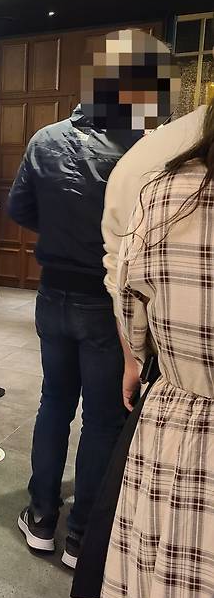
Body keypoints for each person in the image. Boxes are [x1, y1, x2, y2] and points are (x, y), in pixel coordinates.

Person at [7, 29, 170, 569]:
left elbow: (21, 210)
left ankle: (41, 517)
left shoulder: (44, 139)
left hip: (52, 293)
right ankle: (82, 537)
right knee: (103, 417)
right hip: (110, 304)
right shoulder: (146, 152)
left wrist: (60, 226)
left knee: (54, 402)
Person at [87, 101, 214, 598]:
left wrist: (137, 356)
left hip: (178, 415)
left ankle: (50, 516)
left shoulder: (162, 182)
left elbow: (130, 301)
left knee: (156, 595)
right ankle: (65, 527)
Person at [102, 103, 205, 404]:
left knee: (56, 397)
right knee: (99, 419)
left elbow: (122, 283)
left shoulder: (143, 155)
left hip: (170, 379)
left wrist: (133, 360)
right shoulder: (139, 151)